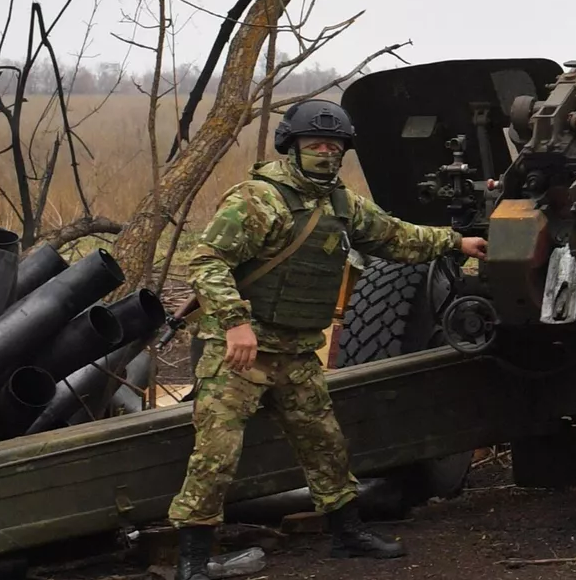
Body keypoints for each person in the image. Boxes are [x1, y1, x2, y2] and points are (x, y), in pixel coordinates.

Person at [168, 98, 488, 579]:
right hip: (241, 351)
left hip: (296, 352)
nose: (324, 152)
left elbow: (394, 236)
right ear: (290, 147)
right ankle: (193, 560)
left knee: (326, 447)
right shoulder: (257, 199)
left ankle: (346, 534)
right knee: (216, 456)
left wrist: (455, 242)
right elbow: (207, 261)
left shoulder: (341, 204)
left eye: (333, 145)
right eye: (313, 144)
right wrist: (234, 322)